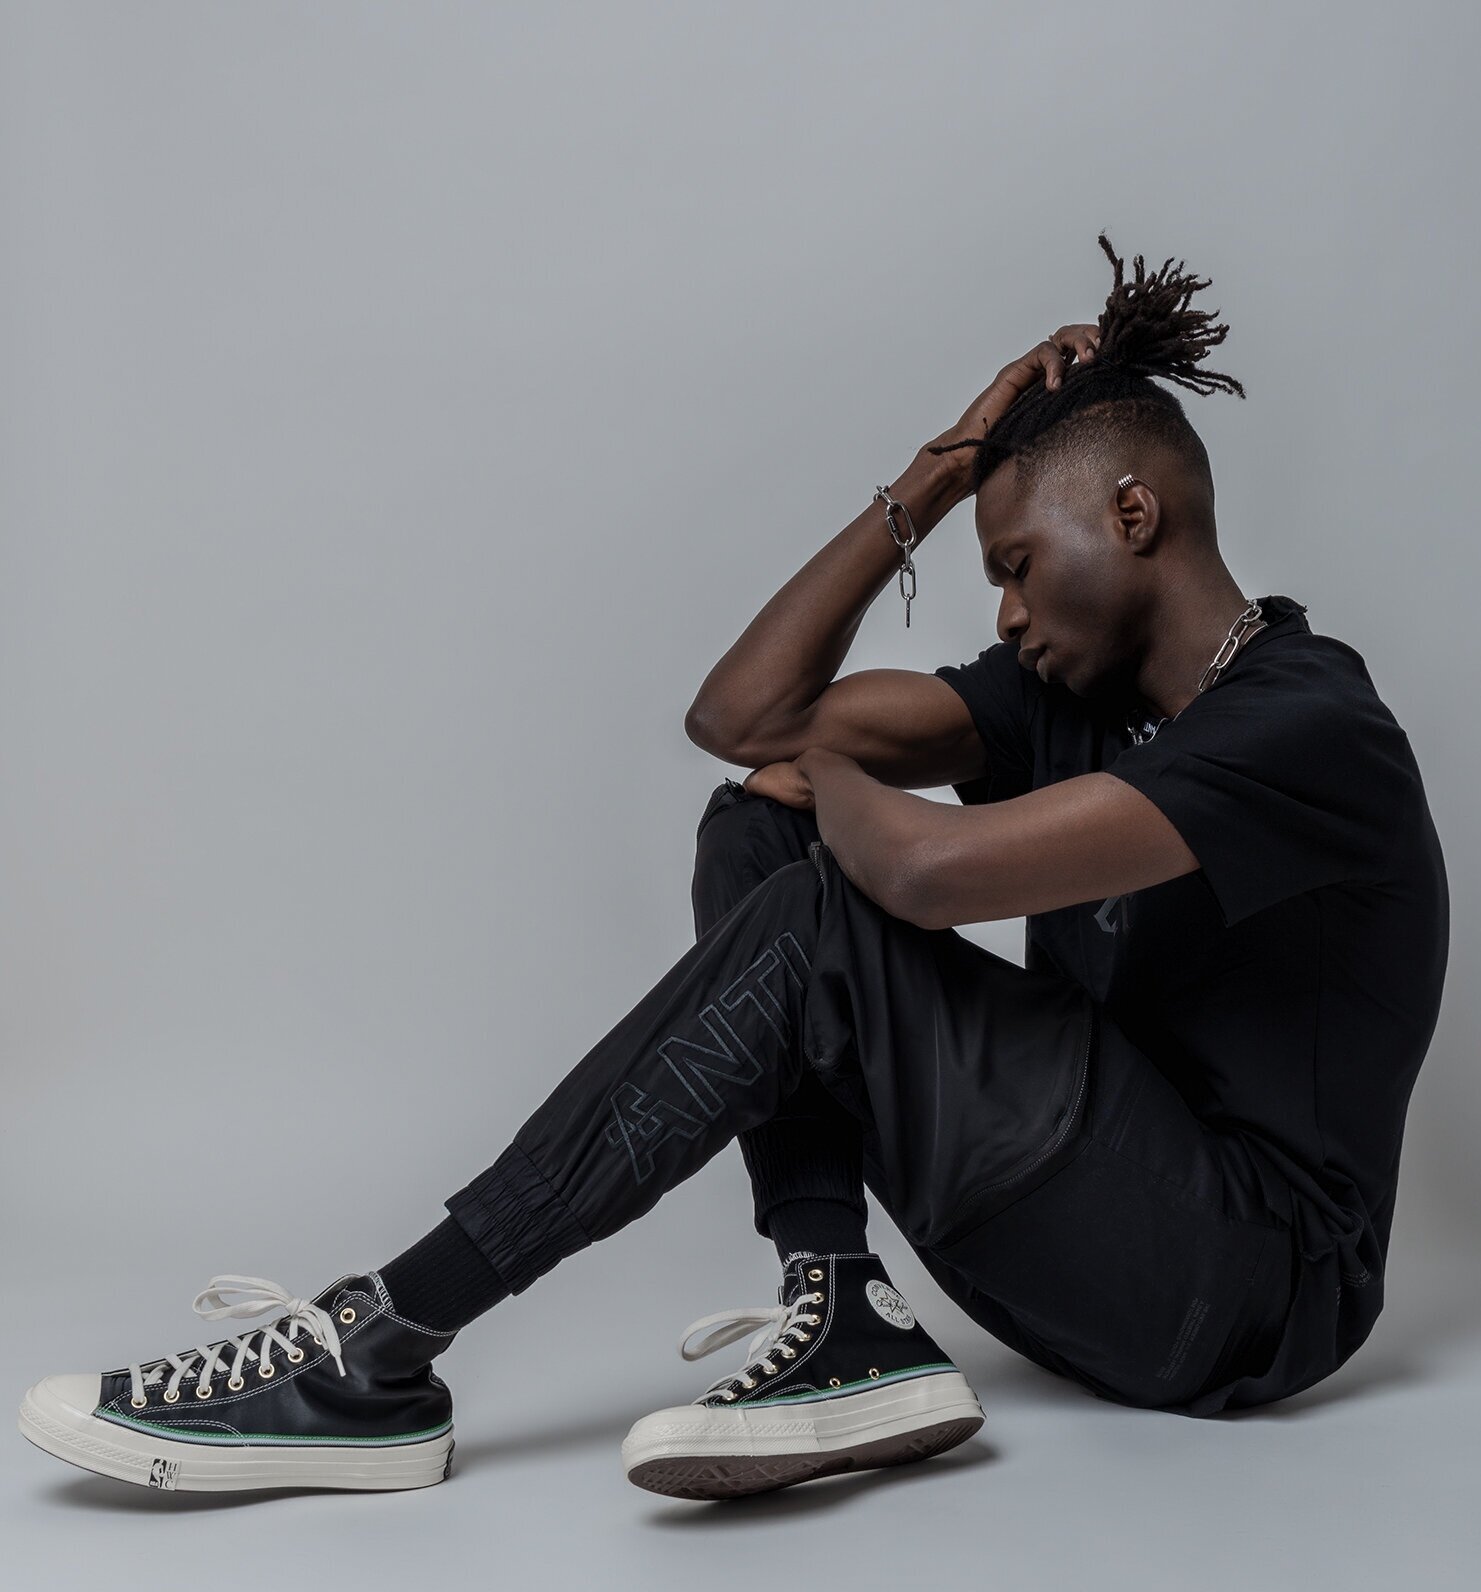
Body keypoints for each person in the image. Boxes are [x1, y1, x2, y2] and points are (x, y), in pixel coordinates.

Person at [18, 234, 1449, 1503]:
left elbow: (928, 874)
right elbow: (742, 721)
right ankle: (841, 1309)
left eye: (1016, 564)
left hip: (1246, 1290)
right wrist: (940, 471)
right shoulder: (1070, 698)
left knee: (822, 883)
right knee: (754, 831)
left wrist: (835, 783)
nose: (1006, 613)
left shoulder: (1307, 724)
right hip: (1084, 1223)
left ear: (1133, 516)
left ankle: (383, 1343)